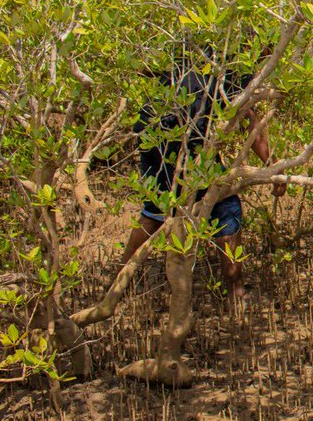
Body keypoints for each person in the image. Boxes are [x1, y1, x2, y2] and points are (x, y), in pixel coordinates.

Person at [119, 44, 283, 299]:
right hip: (179, 135)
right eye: (267, 50)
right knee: (225, 205)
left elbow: (147, 68)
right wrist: (273, 166)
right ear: (257, 47)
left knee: (156, 207)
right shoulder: (237, 67)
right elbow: (255, 126)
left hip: (154, 130)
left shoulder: (195, 47)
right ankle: (235, 290)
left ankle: (119, 279)